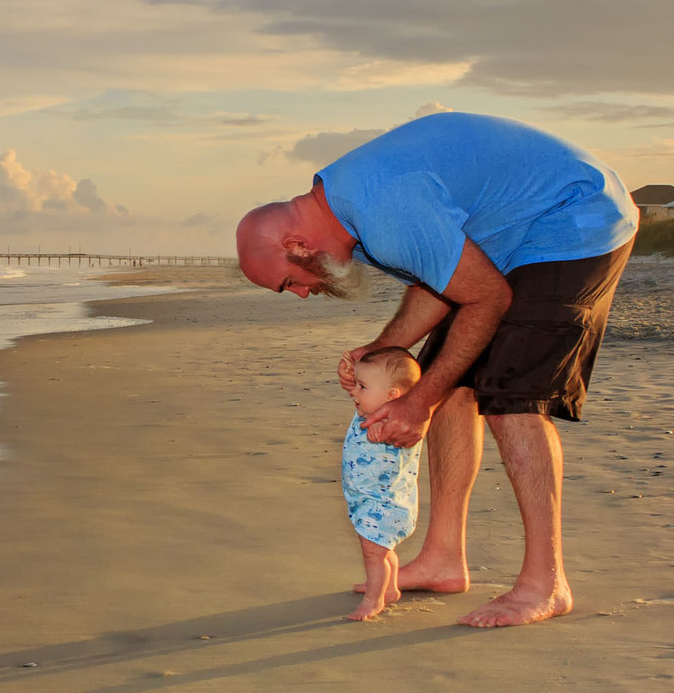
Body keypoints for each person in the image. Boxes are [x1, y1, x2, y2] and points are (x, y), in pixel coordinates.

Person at [234, 112, 638, 628]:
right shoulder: (349, 210)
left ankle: (546, 582)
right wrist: (383, 350)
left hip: (573, 216)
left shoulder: (382, 209)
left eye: (289, 283)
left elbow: (487, 298)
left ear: (297, 245)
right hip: (511, 237)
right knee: (444, 382)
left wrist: (417, 403)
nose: (303, 294)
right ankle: (445, 558)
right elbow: (444, 278)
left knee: (510, 398)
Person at [339, 346, 425, 622]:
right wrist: (352, 376)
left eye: (362, 387)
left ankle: (372, 600)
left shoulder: (394, 424)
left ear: (392, 397)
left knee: (373, 554)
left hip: (384, 505)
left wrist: (383, 433)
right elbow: (364, 391)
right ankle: (388, 588)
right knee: (382, 551)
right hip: (370, 500)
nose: (354, 391)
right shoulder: (370, 407)